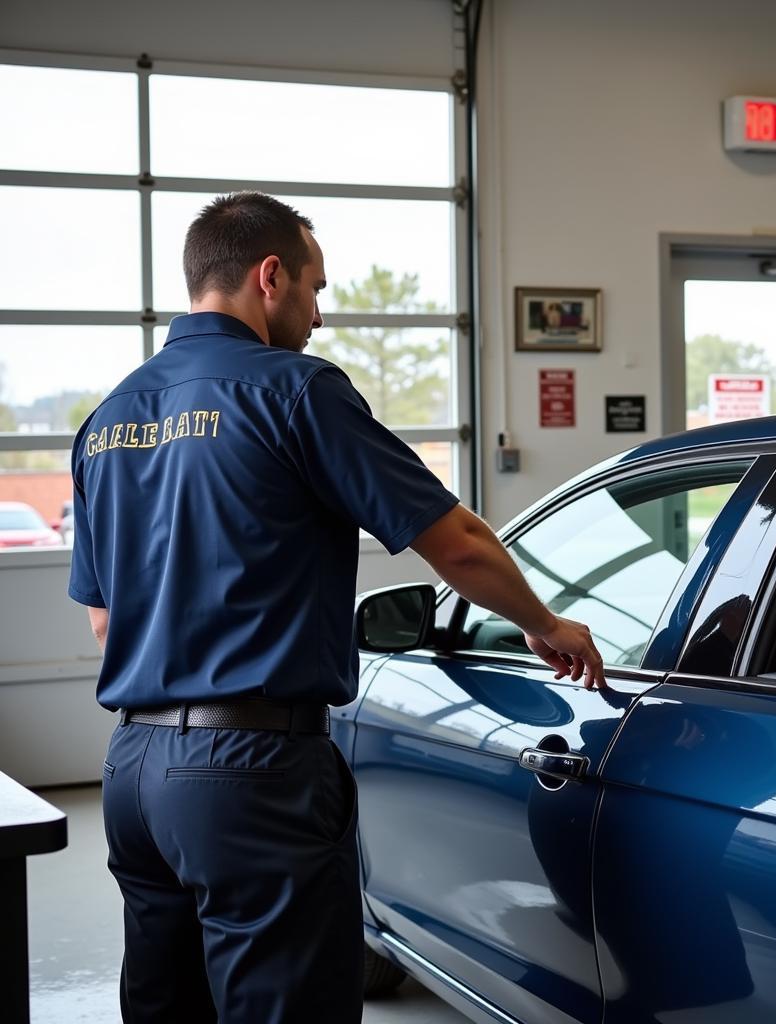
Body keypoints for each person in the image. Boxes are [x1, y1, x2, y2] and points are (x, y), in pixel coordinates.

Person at [68, 191, 605, 1024]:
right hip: (250, 769)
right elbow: (455, 542)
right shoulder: (296, 391)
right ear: (269, 275)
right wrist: (546, 623)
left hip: (133, 771)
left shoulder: (109, 417)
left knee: (166, 1006)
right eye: (317, 288)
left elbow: (105, 623)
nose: (320, 315)